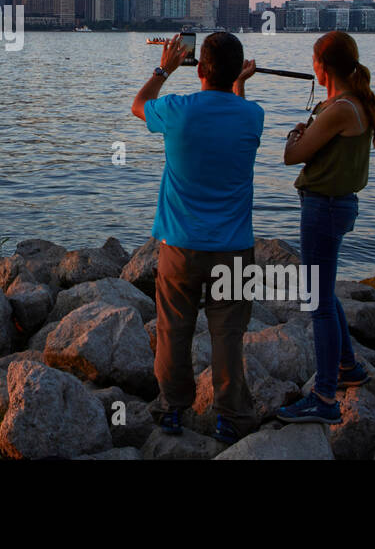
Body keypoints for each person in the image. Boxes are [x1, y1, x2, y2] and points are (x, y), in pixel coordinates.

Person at [132, 31, 262, 444]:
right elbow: (235, 110)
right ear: (232, 72)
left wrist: (164, 68)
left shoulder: (176, 111)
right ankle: (230, 417)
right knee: (228, 335)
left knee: (174, 329)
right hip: (234, 250)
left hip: (180, 246)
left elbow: (138, 105)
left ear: (199, 68)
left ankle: (172, 409)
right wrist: (238, 86)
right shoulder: (252, 115)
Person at [275, 30, 375, 424]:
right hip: (336, 206)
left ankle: (324, 398)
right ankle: (348, 367)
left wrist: (295, 134)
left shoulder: (340, 109)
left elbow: (293, 156)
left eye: (314, 61)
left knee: (318, 302)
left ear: (322, 66)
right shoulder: (347, 103)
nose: (312, 68)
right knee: (325, 289)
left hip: (324, 208)